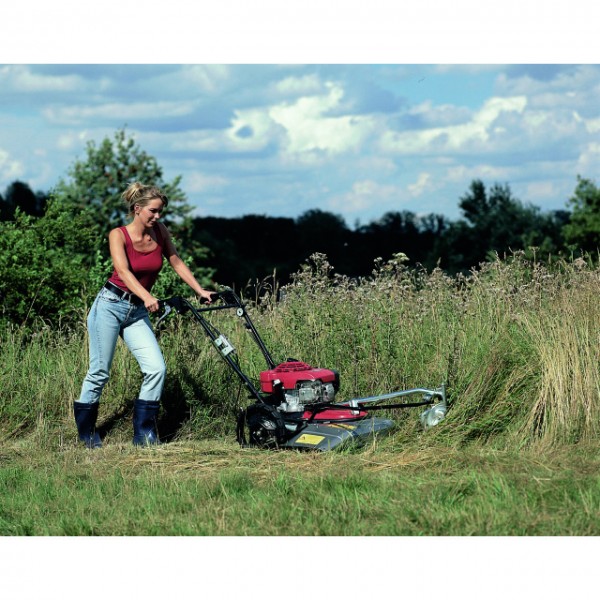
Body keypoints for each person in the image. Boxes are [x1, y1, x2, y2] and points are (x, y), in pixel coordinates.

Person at [74, 182, 214, 448]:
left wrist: (199, 290)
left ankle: (144, 433)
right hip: (110, 305)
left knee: (156, 368)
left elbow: (175, 260)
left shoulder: (159, 231)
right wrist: (148, 296)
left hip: (136, 312)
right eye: (153, 211)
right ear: (137, 209)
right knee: (99, 372)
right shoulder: (118, 235)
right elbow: (124, 272)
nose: (157, 217)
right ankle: (87, 433)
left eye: (160, 212)